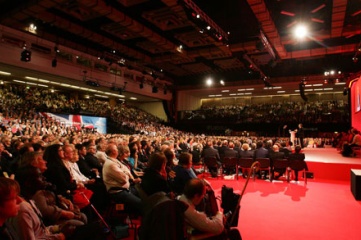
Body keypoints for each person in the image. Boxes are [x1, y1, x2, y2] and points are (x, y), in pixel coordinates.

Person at [102, 143, 142, 214]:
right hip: (118, 192)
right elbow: (123, 179)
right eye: (116, 149)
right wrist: (126, 174)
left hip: (125, 188)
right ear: (113, 151)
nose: (118, 150)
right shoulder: (110, 164)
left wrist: (125, 173)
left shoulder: (114, 160)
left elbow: (126, 170)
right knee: (139, 203)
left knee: (141, 194)